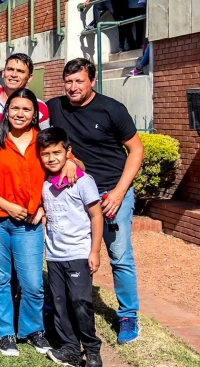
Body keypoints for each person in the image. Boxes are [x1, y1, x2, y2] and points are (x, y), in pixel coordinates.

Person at [47, 58, 144, 344]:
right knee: (70, 252)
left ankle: (128, 316)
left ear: (92, 81)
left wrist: (119, 192)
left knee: (119, 256)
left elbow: (136, 151)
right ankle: (64, 305)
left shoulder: (112, 109)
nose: (73, 87)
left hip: (111, 193)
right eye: (68, 81)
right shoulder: (55, 107)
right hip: (74, 194)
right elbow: (23, 109)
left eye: (79, 81)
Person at [0, 89, 51, 357]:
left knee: (33, 281)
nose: (20, 114)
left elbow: (60, 171)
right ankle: (5, 333)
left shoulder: (43, 143)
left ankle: (33, 330)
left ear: (35, 115)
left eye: (26, 109)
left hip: (29, 224)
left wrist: (43, 206)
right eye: (15, 108)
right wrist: (7, 205)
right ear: (6, 111)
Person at [37, 127, 104, 367]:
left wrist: (95, 250)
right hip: (54, 255)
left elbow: (96, 216)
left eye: (57, 152)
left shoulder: (82, 181)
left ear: (68, 152)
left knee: (80, 301)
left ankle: (92, 348)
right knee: (60, 302)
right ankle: (69, 349)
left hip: (78, 252)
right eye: (45, 154)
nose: (52, 158)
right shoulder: (44, 182)